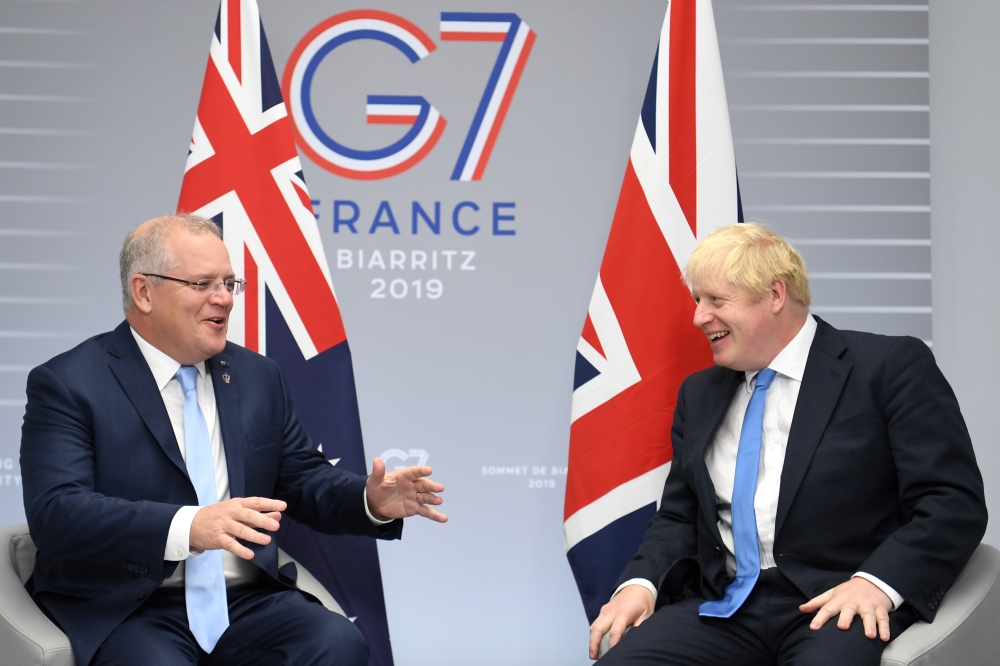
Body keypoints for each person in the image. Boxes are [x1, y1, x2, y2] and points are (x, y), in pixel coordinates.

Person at [20, 214, 447, 666]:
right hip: (129, 605)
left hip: (243, 599)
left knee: (337, 644)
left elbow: (301, 480)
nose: (223, 298)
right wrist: (189, 527)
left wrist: (368, 500)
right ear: (144, 292)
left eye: (229, 283)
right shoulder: (70, 383)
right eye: (202, 283)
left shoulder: (258, 377)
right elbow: (57, 514)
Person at [588, 223, 987, 665]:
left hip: (837, 603)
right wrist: (640, 584)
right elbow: (679, 516)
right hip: (725, 607)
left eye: (716, 300)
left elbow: (952, 501)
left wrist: (877, 582)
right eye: (697, 301)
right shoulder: (698, 394)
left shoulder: (889, 366)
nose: (700, 316)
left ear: (775, 295)